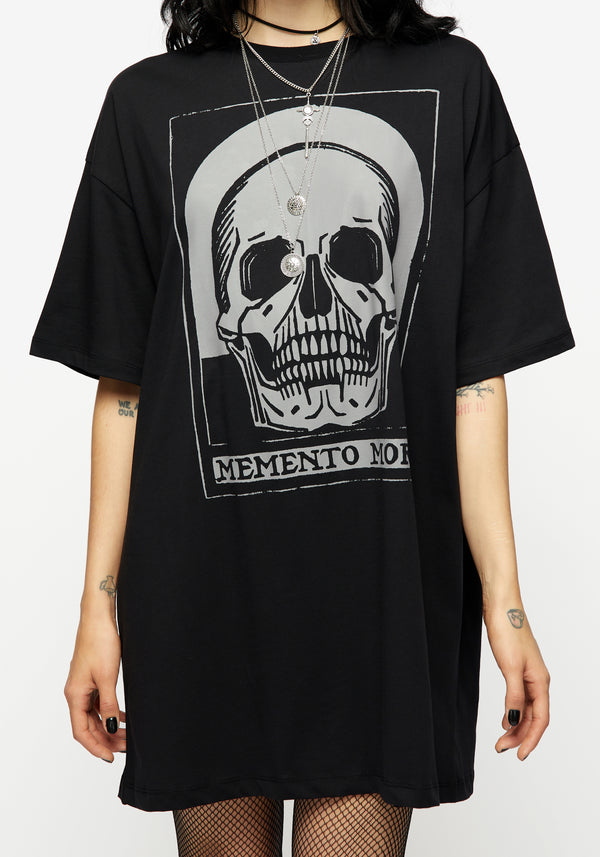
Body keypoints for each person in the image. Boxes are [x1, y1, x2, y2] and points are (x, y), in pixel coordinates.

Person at [28, 1, 575, 855]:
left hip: (381, 600)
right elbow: (124, 388)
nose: (314, 299)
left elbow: (473, 379)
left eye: (355, 259)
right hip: (203, 597)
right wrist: (97, 611)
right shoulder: (143, 103)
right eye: (265, 275)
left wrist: (506, 609)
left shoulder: (451, 82)